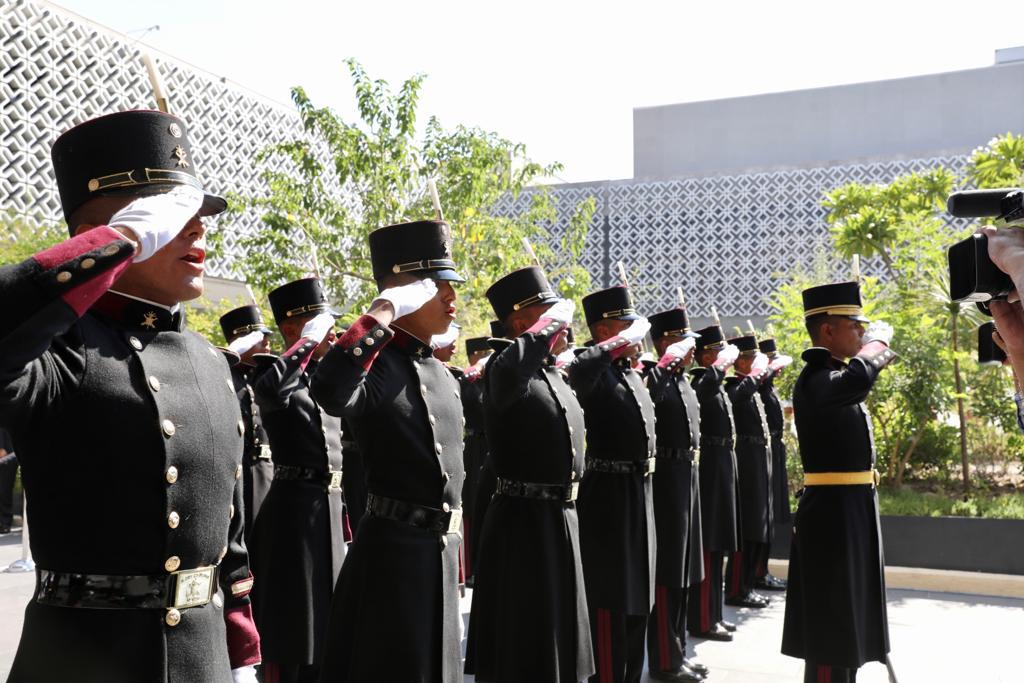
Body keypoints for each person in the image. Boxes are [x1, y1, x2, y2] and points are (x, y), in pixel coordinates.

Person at [0, 110, 259, 681]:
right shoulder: (60, 350)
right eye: (172, 212)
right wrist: (122, 240)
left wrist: (242, 655)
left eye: (198, 212)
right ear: (94, 226)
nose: (197, 228)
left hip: (202, 658)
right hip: (85, 658)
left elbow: (226, 536)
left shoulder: (211, 362)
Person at [312, 219, 466, 683]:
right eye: (438, 287)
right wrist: (381, 310)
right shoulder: (376, 366)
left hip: (440, 555)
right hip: (392, 562)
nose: (451, 298)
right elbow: (331, 389)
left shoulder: (439, 371)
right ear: (407, 290)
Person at [465, 266, 594, 682]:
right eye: (550, 313)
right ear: (523, 323)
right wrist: (544, 329)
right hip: (522, 528)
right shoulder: (505, 368)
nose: (565, 324)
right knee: (525, 648)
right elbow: (506, 373)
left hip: (559, 521)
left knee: (560, 646)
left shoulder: (551, 372)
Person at [781, 281, 897, 683]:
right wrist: (878, 344)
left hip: (850, 513)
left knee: (848, 626)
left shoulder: (835, 377)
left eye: (865, 327)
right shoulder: (817, 379)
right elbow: (857, 380)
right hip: (831, 519)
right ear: (827, 330)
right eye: (855, 324)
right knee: (832, 631)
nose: (862, 331)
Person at [249, 277, 345, 683]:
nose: (335, 333)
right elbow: (268, 392)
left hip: (331, 508)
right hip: (294, 513)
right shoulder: (277, 370)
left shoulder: (325, 376)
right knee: (297, 627)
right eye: (324, 325)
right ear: (294, 329)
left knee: (332, 621)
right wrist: (305, 344)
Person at [570, 285, 656, 683]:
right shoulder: (594, 369)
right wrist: (618, 343)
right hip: (607, 500)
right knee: (610, 606)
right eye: (625, 326)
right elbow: (580, 367)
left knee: (638, 603)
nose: (635, 335)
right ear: (605, 331)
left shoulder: (627, 372)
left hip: (638, 497)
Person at [643, 308, 708, 682]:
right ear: (666, 341)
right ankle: (665, 659)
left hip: (688, 479)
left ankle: (678, 650)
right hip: (667, 483)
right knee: (668, 571)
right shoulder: (656, 377)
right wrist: (663, 366)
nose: (690, 351)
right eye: (684, 343)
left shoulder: (681, 380)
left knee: (683, 571)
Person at [686, 324, 740, 642]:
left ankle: (715, 613)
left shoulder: (716, 384)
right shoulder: (703, 382)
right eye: (717, 353)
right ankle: (703, 619)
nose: (723, 358)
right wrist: (717, 369)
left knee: (718, 546)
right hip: (708, 472)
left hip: (722, 468)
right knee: (708, 547)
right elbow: (703, 390)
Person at [722, 335, 772, 610]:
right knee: (745, 530)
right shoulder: (734, 387)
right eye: (752, 358)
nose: (757, 364)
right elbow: (737, 398)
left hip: (757, 462)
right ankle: (736, 589)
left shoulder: (751, 388)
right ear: (740, 361)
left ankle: (748, 585)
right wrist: (754, 376)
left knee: (757, 527)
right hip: (745, 464)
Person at [219, 305, 275, 544]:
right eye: (260, 339)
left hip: (266, 470)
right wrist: (228, 355)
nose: (267, 344)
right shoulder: (223, 374)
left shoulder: (263, 376)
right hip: (237, 471)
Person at [755, 337, 791, 591]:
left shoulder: (768, 390)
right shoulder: (755, 390)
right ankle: (756, 572)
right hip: (760, 454)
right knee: (759, 520)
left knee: (770, 516)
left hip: (774, 451)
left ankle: (762, 570)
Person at [459, 333, 492, 585]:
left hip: (490, 444)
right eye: (481, 354)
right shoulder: (466, 380)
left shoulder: (490, 380)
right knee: (471, 500)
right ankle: (470, 565)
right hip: (474, 446)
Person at [0, 428, 17, 534]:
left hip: (6, 459)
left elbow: (2, 451)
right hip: (6, 458)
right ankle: (4, 522)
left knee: (3, 491)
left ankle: (5, 523)